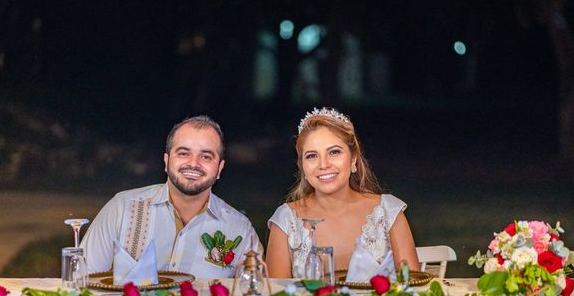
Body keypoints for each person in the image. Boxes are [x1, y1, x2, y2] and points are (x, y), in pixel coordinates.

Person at [81, 115, 260, 278]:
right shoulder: (122, 208)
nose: (193, 163)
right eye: (183, 153)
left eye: (206, 156)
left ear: (219, 168)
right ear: (166, 161)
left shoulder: (240, 230)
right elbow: (83, 279)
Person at [266, 107, 418, 278]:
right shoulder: (286, 220)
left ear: (353, 159)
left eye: (334, 152)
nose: (323, 164)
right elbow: (277, 295)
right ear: (302, 167)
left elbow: (412, 288)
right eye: (312, 156)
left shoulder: (388, 212)